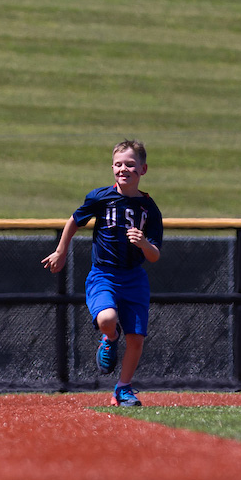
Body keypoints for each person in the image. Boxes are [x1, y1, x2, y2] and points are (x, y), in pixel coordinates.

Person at [41, 140, 162, 406]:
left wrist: (143, 243)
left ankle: (123, 388)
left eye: (130, 164)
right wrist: (61, 251)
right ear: (112, 168)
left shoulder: (149, 209)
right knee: (108, 319)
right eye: (118, 164)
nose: (124, 169)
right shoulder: (100, 197)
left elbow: (154, 255)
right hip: (103, 275)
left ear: (143, 169)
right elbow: (74, 220)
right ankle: (109, 337)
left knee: (137, 338)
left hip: (134, 278)